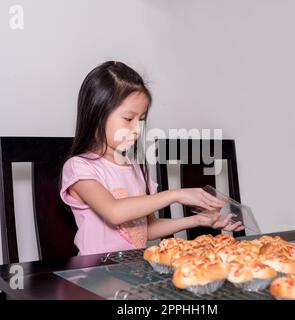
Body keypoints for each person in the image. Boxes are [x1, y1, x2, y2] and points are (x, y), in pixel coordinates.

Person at [60, 61, 243, 255]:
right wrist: (176, 194)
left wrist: (196, 220)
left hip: (134, 272)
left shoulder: (134, 168)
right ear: (97, 114)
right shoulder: (80, 167)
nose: (137, 129)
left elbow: (146, 230)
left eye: (141, 120)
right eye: (129, 119)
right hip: (95, 275)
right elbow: (115, 212)